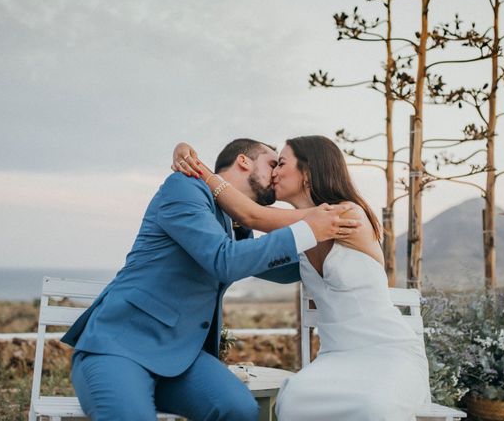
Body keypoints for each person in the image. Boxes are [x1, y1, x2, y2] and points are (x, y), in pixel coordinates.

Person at [60, 138, 361, 421]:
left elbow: (278, 266)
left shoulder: (232, 224)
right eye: (273, 163)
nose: (277, 174)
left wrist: (336, 249)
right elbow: (224, 260)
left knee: (240, 409)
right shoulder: (185, 188)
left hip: (181, 361)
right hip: (120, 347)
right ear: (244, 161)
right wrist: (308, 229)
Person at [174, 135, 431, 421]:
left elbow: (253, 216)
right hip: (336, 358)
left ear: (308, 172)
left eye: (281, 163)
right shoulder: (305, 235)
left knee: (374, 408)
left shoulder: (346, 215)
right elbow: (250, 256)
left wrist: (197, 168)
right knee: (292, 400)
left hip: (388, 354)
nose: (274, 172)